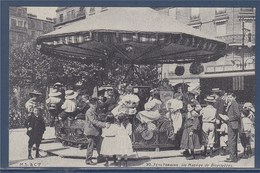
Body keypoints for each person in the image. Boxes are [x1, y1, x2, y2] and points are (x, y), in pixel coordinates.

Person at [84, 98, 110, 165]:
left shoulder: (95, 110)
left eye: (96, 104)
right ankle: (88, 160)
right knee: (91, 146)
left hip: (95, 131)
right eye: (94, 104)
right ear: (90, 104)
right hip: (90, 131)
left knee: (100, 144)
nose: (95, 105)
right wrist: (104, 125)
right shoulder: (89, 111)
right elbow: (94, 121)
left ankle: (100, 157)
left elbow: (98, 119)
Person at [225, 93, 241, 162]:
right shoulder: (231, 103)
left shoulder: (234, 103)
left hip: (233, 124)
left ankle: (233, 158)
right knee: (232, 141)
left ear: (234, 97)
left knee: (232, 141)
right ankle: (233, 157)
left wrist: (229, 118)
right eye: (228, 97)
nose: (229, 98)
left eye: (231, 97)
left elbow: (238, 115)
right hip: (231, 124)